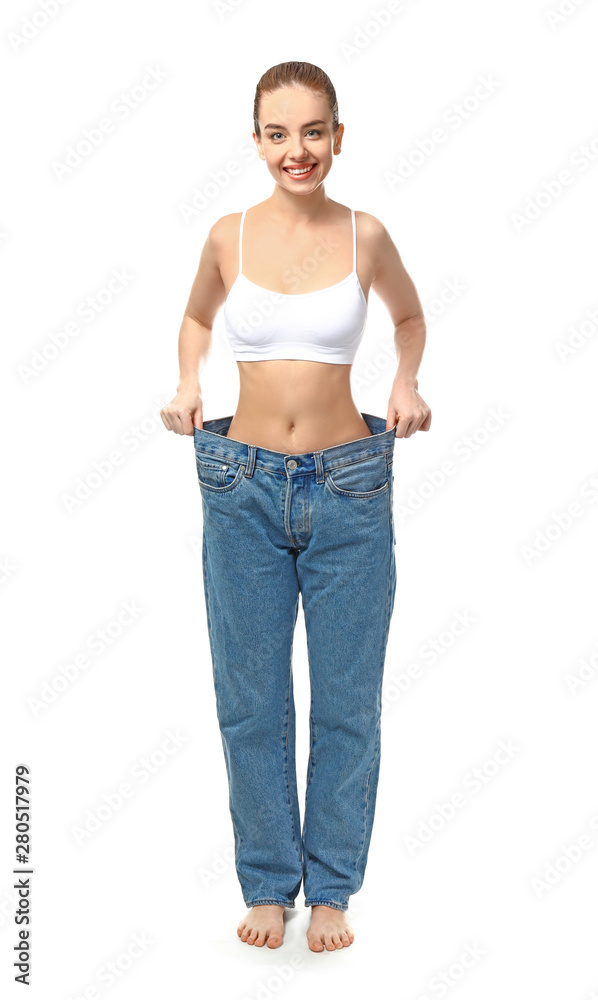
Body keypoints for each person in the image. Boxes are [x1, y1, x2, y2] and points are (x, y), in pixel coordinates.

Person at [160, 61, 431, 953]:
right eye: (278, 133)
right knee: (252, 699)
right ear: (256, 142)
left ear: (338, 136)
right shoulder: (227, 236)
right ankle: (270, 882)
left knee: (348, 701)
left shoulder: (367, 235)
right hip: (240, 484)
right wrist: (186, 382)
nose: (297, 150)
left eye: (312, 131)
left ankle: (334, 890)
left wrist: (407, 383)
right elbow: (198, 319)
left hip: (349, 484)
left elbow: (409, 318)